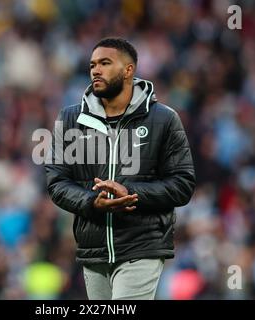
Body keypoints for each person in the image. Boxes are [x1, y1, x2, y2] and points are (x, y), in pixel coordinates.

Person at [44, 37, 196, 300]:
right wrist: (93, 202)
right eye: (92, 64)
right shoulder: (70, 118)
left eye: (105, 63)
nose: (95, 70)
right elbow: (56, 183)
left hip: (142, 246)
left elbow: (182, 185)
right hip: (93, 249)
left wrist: (130, 193)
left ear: (129, 70)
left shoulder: (164, 119)